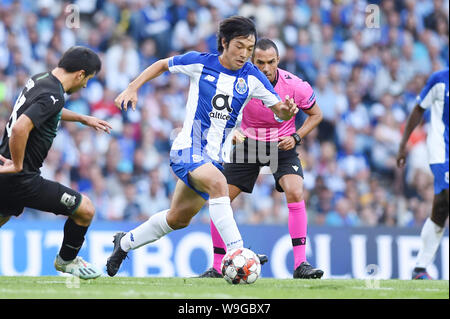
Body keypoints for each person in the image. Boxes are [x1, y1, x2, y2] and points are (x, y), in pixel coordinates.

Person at [106, 16, 298, 277]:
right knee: (220, 184)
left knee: (178, 218)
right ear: (224, 42)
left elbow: (279, 110)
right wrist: (132, 87)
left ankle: (124, 243)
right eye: (239, 46)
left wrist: (286, 112)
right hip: (189, 147)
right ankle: (238, 252)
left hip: (214, 157)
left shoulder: (252, 77)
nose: (244, 54)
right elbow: (163, 64)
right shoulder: (200, 63)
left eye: (249, 49)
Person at [200, 38, 324, 279]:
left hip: (282, 144)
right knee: (220, 199)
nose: (265, 68)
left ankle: (300, 264)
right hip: (249, 144)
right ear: (251, 61)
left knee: (296, 191)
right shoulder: (239, 81)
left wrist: (297, 138)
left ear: (278, 61)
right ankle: (217, 266)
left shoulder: (296, 86)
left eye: (270, 62)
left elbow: (316, 115)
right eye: (260, 62)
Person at [0, 46, 112, 279]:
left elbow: (48, 109)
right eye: (87, 80)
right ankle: (67, 260)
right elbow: (21, 126)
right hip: (21, 178)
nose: (84, 86)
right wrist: (18, 165)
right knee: (85, 210)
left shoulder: (40, 79)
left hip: (4, 171)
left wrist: (82, 117)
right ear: (80, 74)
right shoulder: (55, 95)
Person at [397, 68, 449, 280]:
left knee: (440, 209)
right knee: (446, 196)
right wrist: (403, 145)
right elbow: (418, 109)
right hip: (441, 150)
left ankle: (420, 268)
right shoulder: (440, 80)